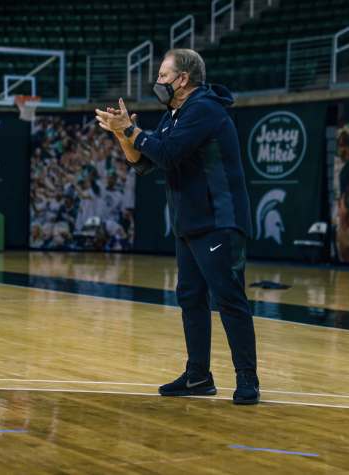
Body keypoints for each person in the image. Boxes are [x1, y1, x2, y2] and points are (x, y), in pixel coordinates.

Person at [96, 48, 259, 405]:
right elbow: (144, 164)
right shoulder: (176, 114)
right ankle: (198, 375)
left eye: (163, 76)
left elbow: (167, 154)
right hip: (190, 224)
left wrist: (132, 130)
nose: (158, 83)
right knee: (190, 299)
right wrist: (124, 134)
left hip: (219, 221)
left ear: (183, 79)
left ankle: (248, 377)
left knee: (229, 300)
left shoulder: (203, 109)